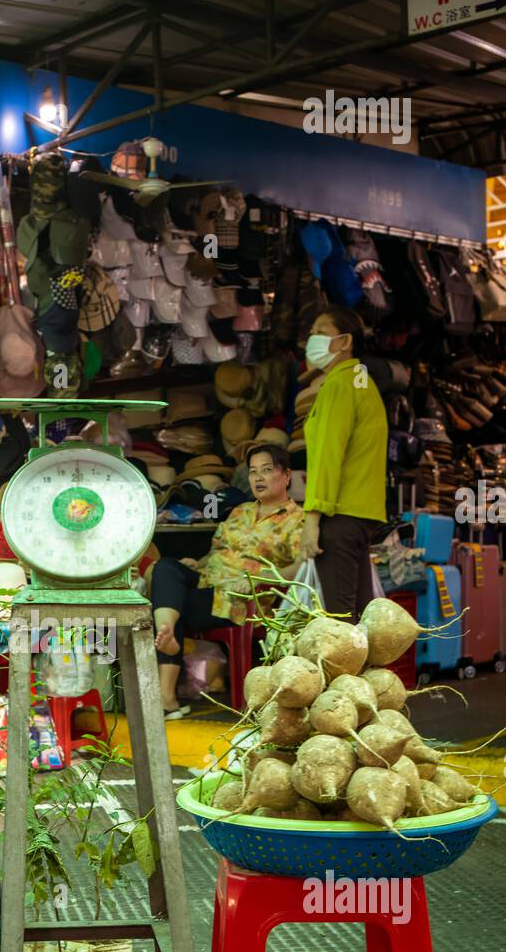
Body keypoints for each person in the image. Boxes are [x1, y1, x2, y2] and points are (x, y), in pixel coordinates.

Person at [151, 445, 304, 718]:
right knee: (166, 569)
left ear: (286, 476)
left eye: (266, 471)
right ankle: (168, 632)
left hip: (242, 601)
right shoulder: (240, 511)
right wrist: (198, 564)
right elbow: (217, 552)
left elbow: (297, 570)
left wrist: (257, 578)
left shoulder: (298, 520)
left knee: (173, 599)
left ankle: (167, 696)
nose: (258, 478)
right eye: (254, 472)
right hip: (208, 587)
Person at [299, 306, 388, 621]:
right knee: (359, 619)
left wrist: (312, 519)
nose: (312, 339)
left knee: (340, 623)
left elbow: (327, 454)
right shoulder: (363, 381)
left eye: (321, 332)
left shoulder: (339, 384)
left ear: (345, 340)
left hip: (339, 515)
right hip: (361, 515)